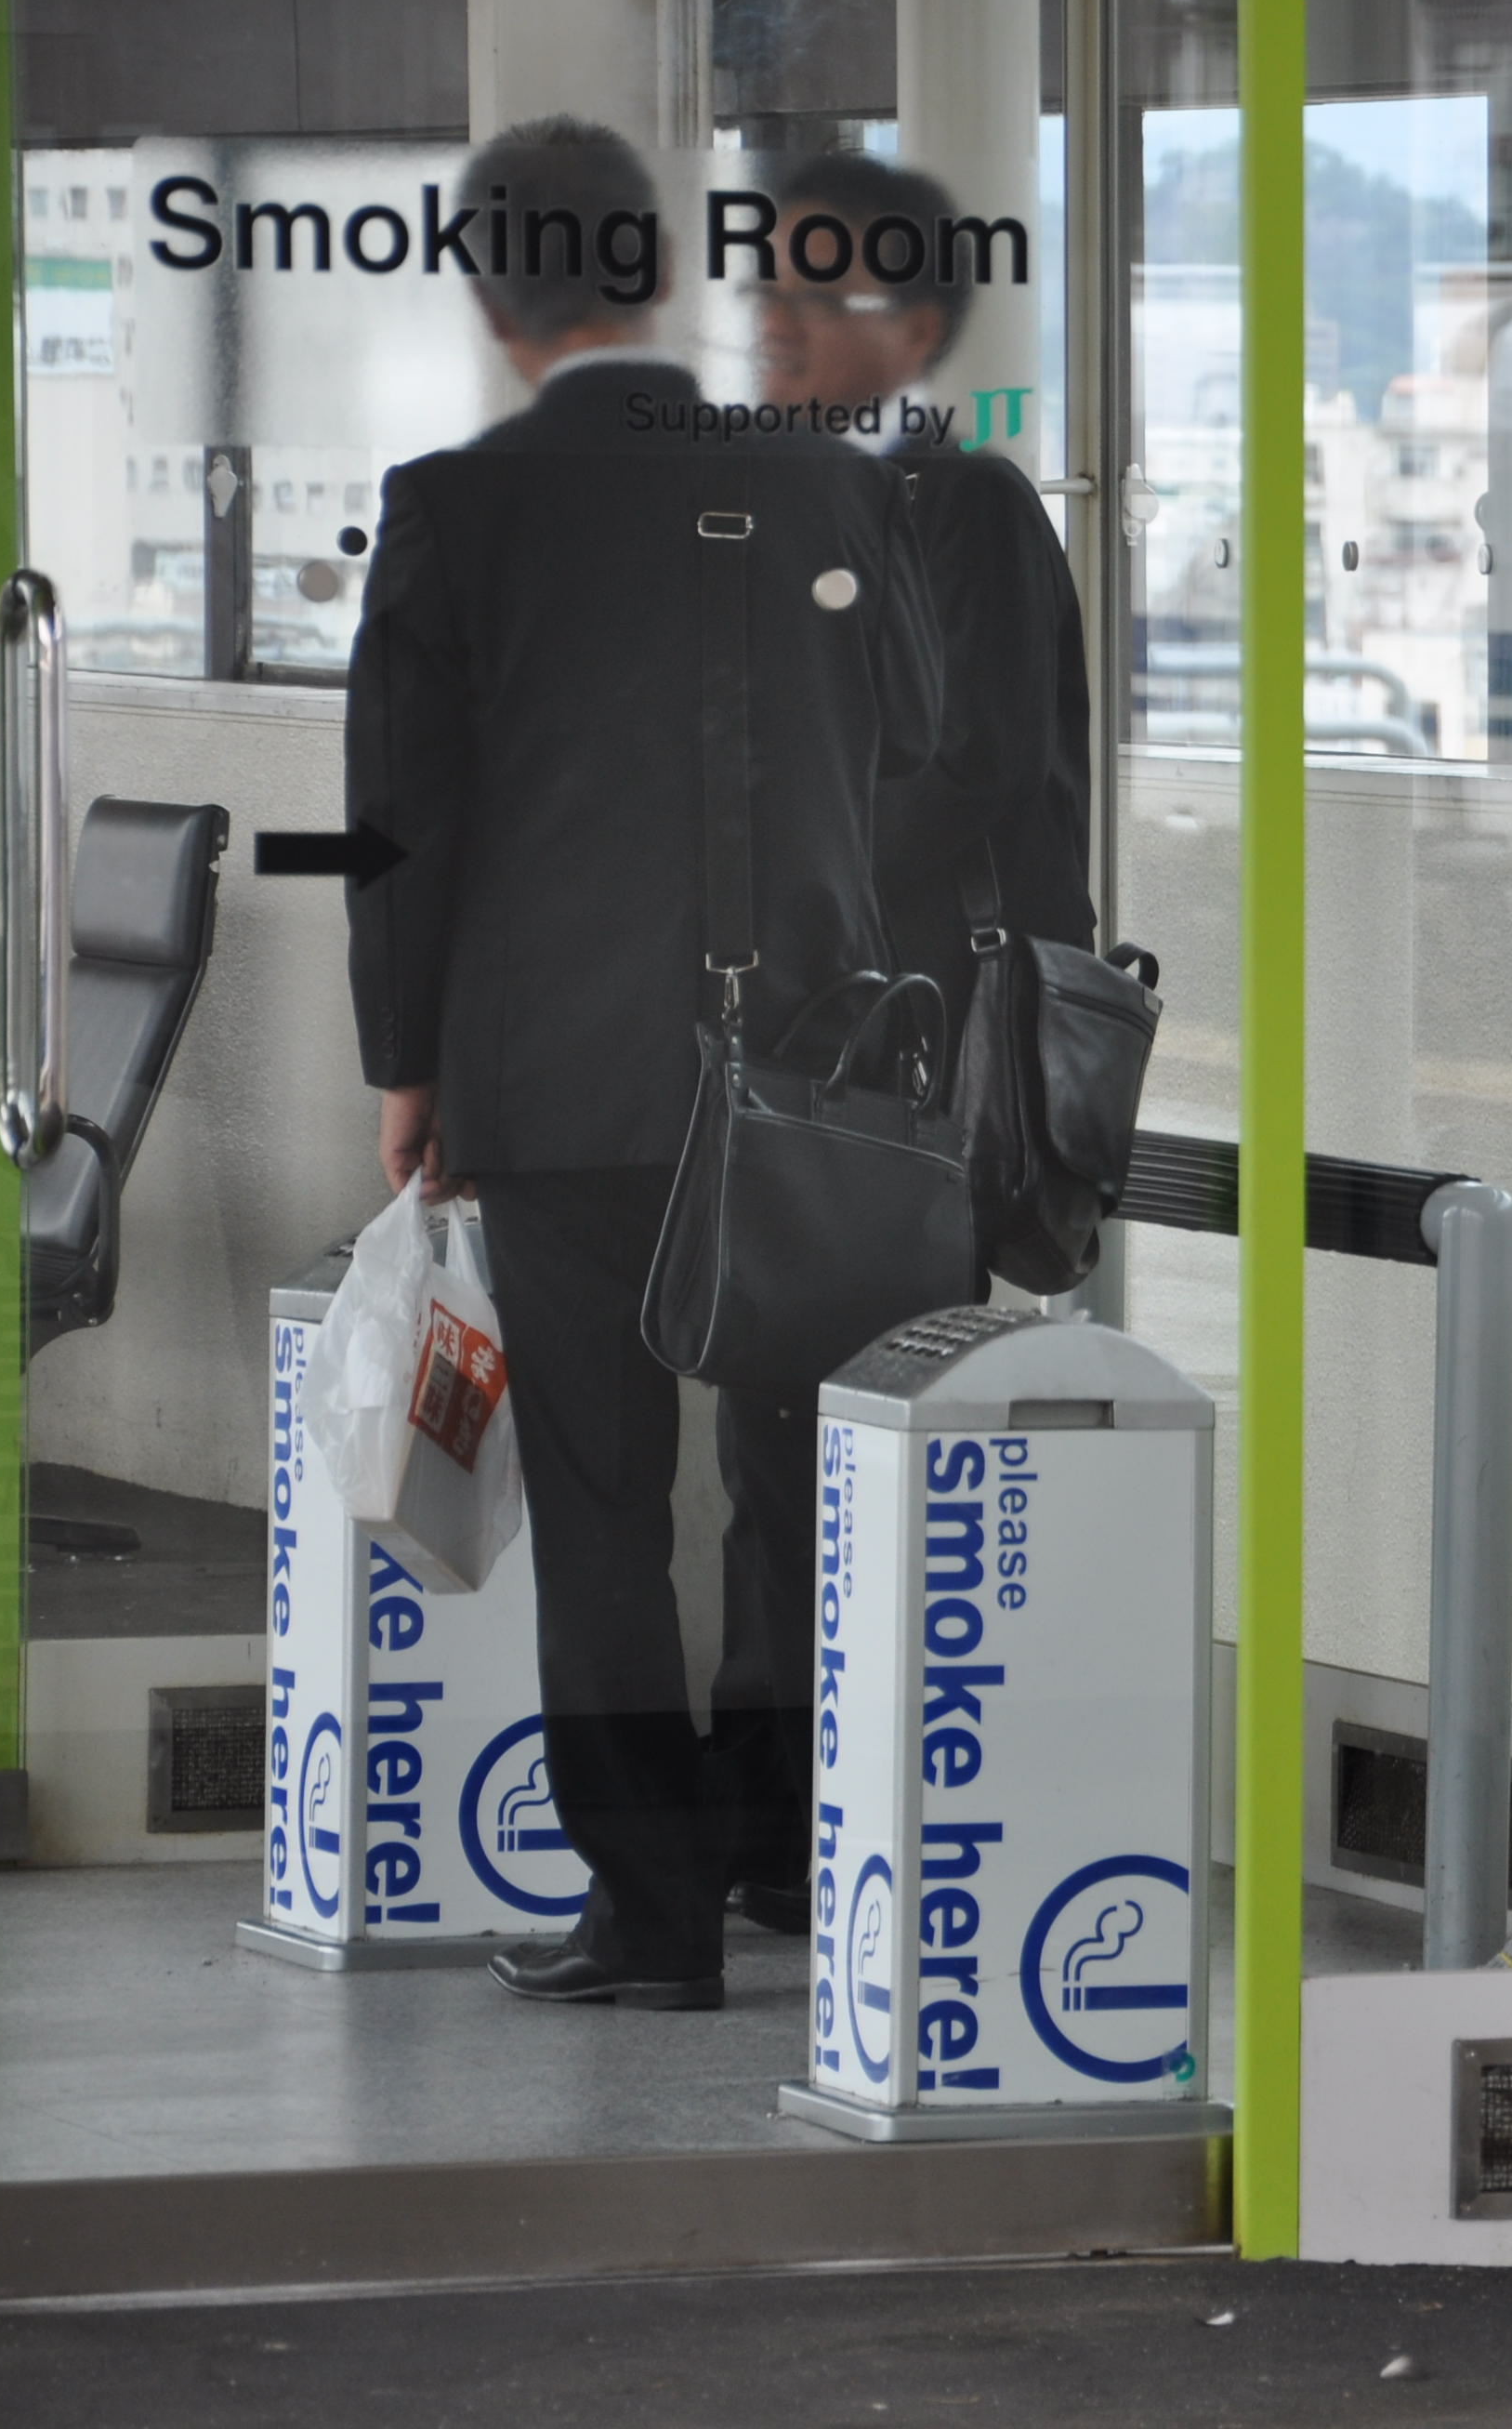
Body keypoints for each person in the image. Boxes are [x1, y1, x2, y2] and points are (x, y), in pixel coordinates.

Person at [344, 116, 939, 2008]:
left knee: (604, 1504)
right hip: (807, 1076)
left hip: (557, 1079)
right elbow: (909, 740)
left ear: (491, 296)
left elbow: (397, 822)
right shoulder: (826, 482)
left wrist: (409, 1063)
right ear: (659, 268)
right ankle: (796, 1851)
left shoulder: (454, 506)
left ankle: (656, 1916)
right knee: (793, 1480)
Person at [707, 149, 1099, 1934]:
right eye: (766, 283)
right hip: (814, 1046)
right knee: (773, 1435)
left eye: (826, 289)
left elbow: (976, 768)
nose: (778, 320)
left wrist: (781, 868)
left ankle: (836, 1830)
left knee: (842, 1434)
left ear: (921, 327)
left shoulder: (963, 506)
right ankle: (773, 1829)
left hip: (909, 1060)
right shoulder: (774, 503)